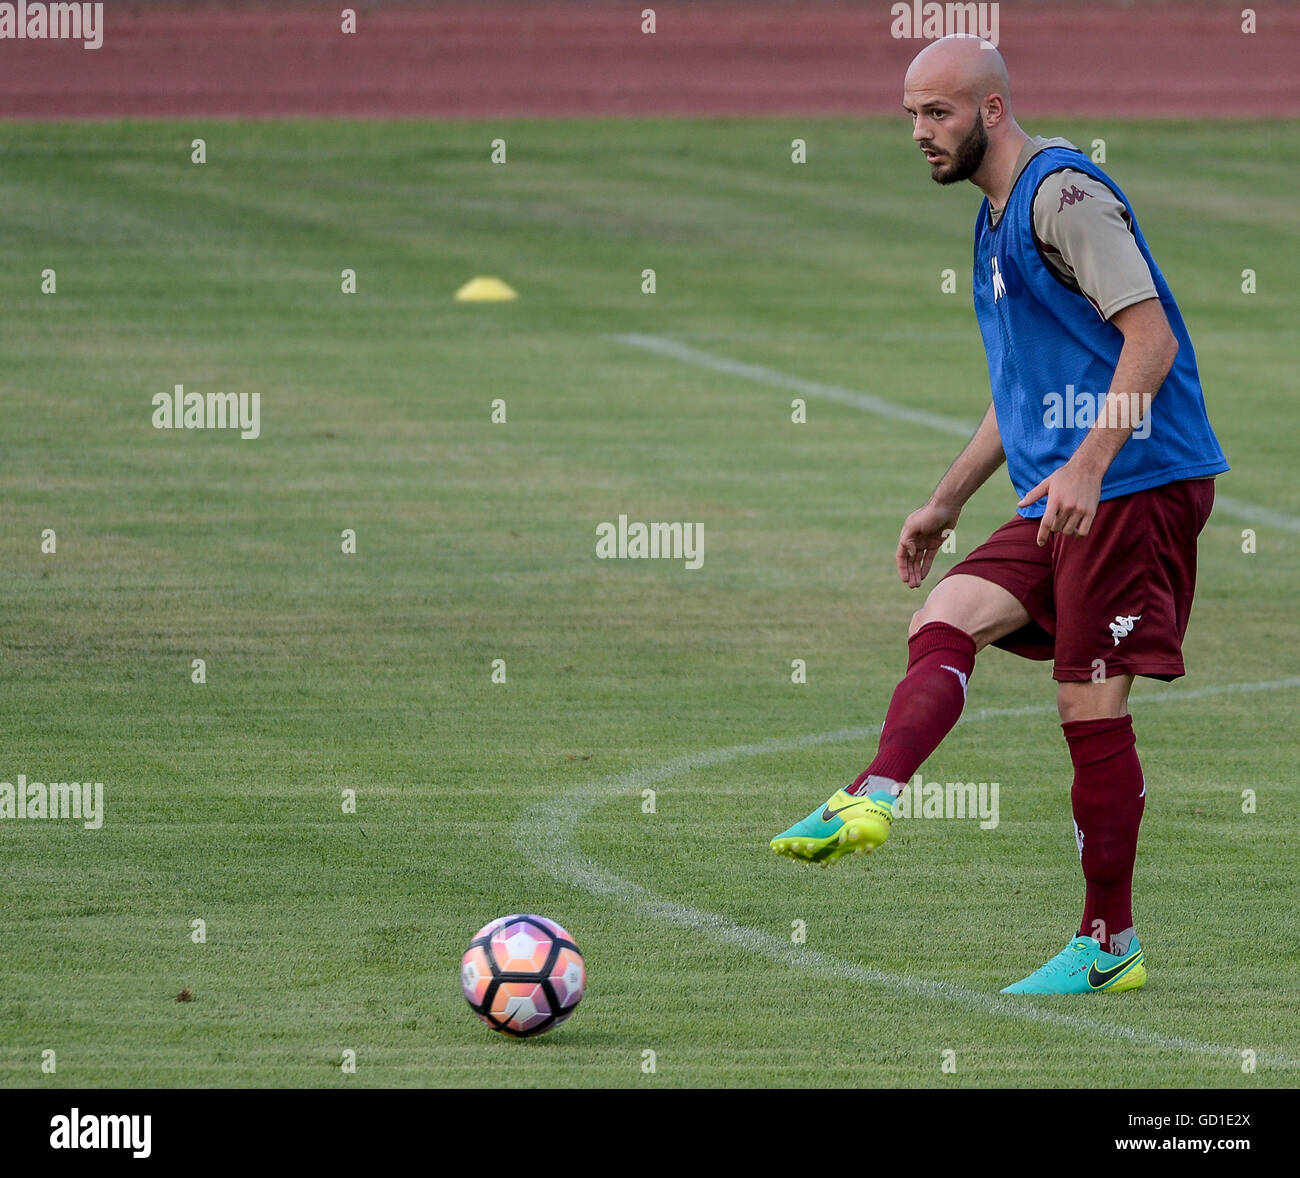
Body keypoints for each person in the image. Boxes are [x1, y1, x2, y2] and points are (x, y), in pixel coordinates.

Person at [769, 35, 1229, 995]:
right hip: (1067, 484)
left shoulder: (1064, 198)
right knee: (945, 616)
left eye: (937, 114)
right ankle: (875, 793)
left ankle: (1109, 948)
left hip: (1135, 482)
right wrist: (946, 500)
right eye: (910, 117)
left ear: (989, 109)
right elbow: (1020, 388)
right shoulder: (993, 221)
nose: (920, 134)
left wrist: (1093, 464)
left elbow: (1151, 339)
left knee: (1086, 701)